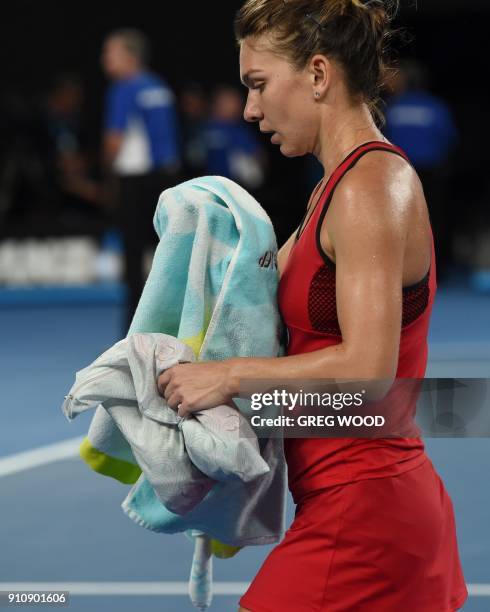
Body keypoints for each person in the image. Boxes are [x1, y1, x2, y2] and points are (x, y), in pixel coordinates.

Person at [157, 1, 468, 610]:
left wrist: (226, 378)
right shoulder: (336, 185)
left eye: (258, 84)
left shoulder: (372, 187)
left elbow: (368, 375)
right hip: (351, 505)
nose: (249, 110)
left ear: (319, 75)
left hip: (368, 518)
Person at [101, 28, 181, 331]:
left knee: (133, 259)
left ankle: (133, 331)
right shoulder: (160, 87)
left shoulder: (124, 88)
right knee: (167, 254)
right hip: (167, 181)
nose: (105, 59)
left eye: (110, 52)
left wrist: (106, 176)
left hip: (135, 184)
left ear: (129, 56)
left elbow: (114, 141)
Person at [384, 59, 458, 281]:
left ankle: (399, 271)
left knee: (398, 221)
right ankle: (439, 270)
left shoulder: (393, 107)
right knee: (435, 219)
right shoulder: (437, 107)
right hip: (432, 173)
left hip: (400, 174)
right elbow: (450, 140)